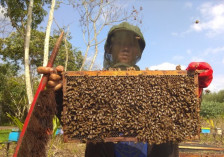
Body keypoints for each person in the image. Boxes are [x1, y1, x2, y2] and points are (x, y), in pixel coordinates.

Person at [37, 22, 213, 157]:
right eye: (120, 42)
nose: (126, 47)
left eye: (131, 43)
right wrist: (59, 92)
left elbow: (181, 117)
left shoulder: (155, 85)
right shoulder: (91, 87)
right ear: (110, 49)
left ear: (138, 51)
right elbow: (72, 120)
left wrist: (194, 89)